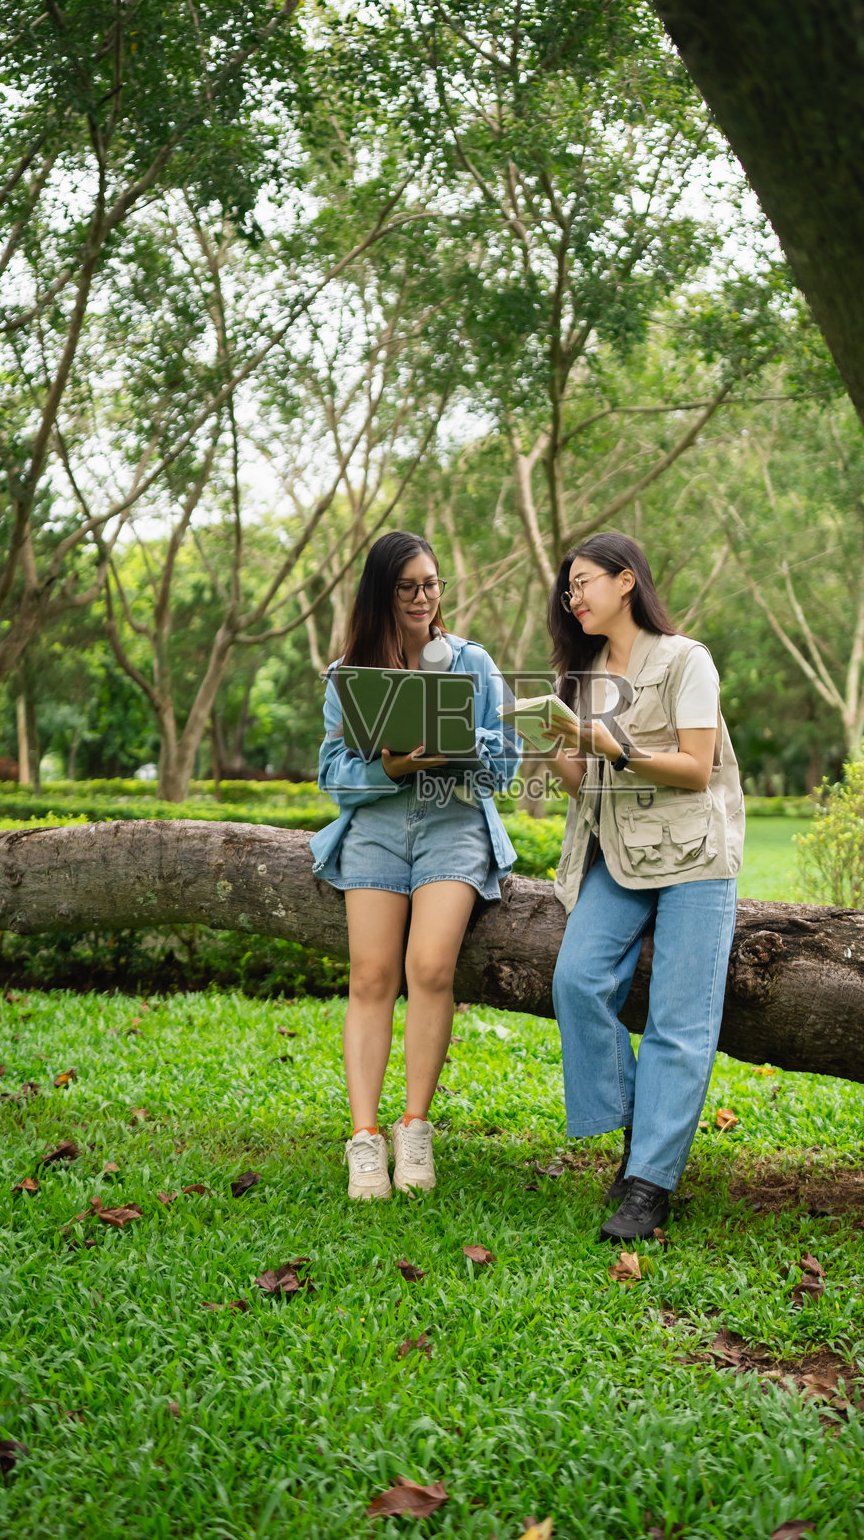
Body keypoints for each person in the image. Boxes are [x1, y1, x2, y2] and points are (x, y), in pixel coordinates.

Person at [542, 531, 744, 1243]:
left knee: (679, 1023)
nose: (574, 597)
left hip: (693, 855)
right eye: (568, 589)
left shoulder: (685, 659)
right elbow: (581, 786)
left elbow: (695, 767)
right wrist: (551, 745)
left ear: (626, 581)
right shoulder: (583, 674)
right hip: (618, 855)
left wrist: (613, 747)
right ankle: (643, 1125)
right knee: (575, 981)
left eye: (584, 581)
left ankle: (648, 1183)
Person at [312, 531, 521, 1202]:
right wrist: (394, 764)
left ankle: (414, 1126)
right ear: (381, 593)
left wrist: (463, 744)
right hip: (376, 827)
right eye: (408, 587)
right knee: (371, 975)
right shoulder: (349, 676)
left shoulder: (472, 663)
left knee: (430, 967)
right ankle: (365, 1139)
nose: (424, 597)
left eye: (432, 584)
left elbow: (508, 764)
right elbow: (333, 775)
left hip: (452, 823)